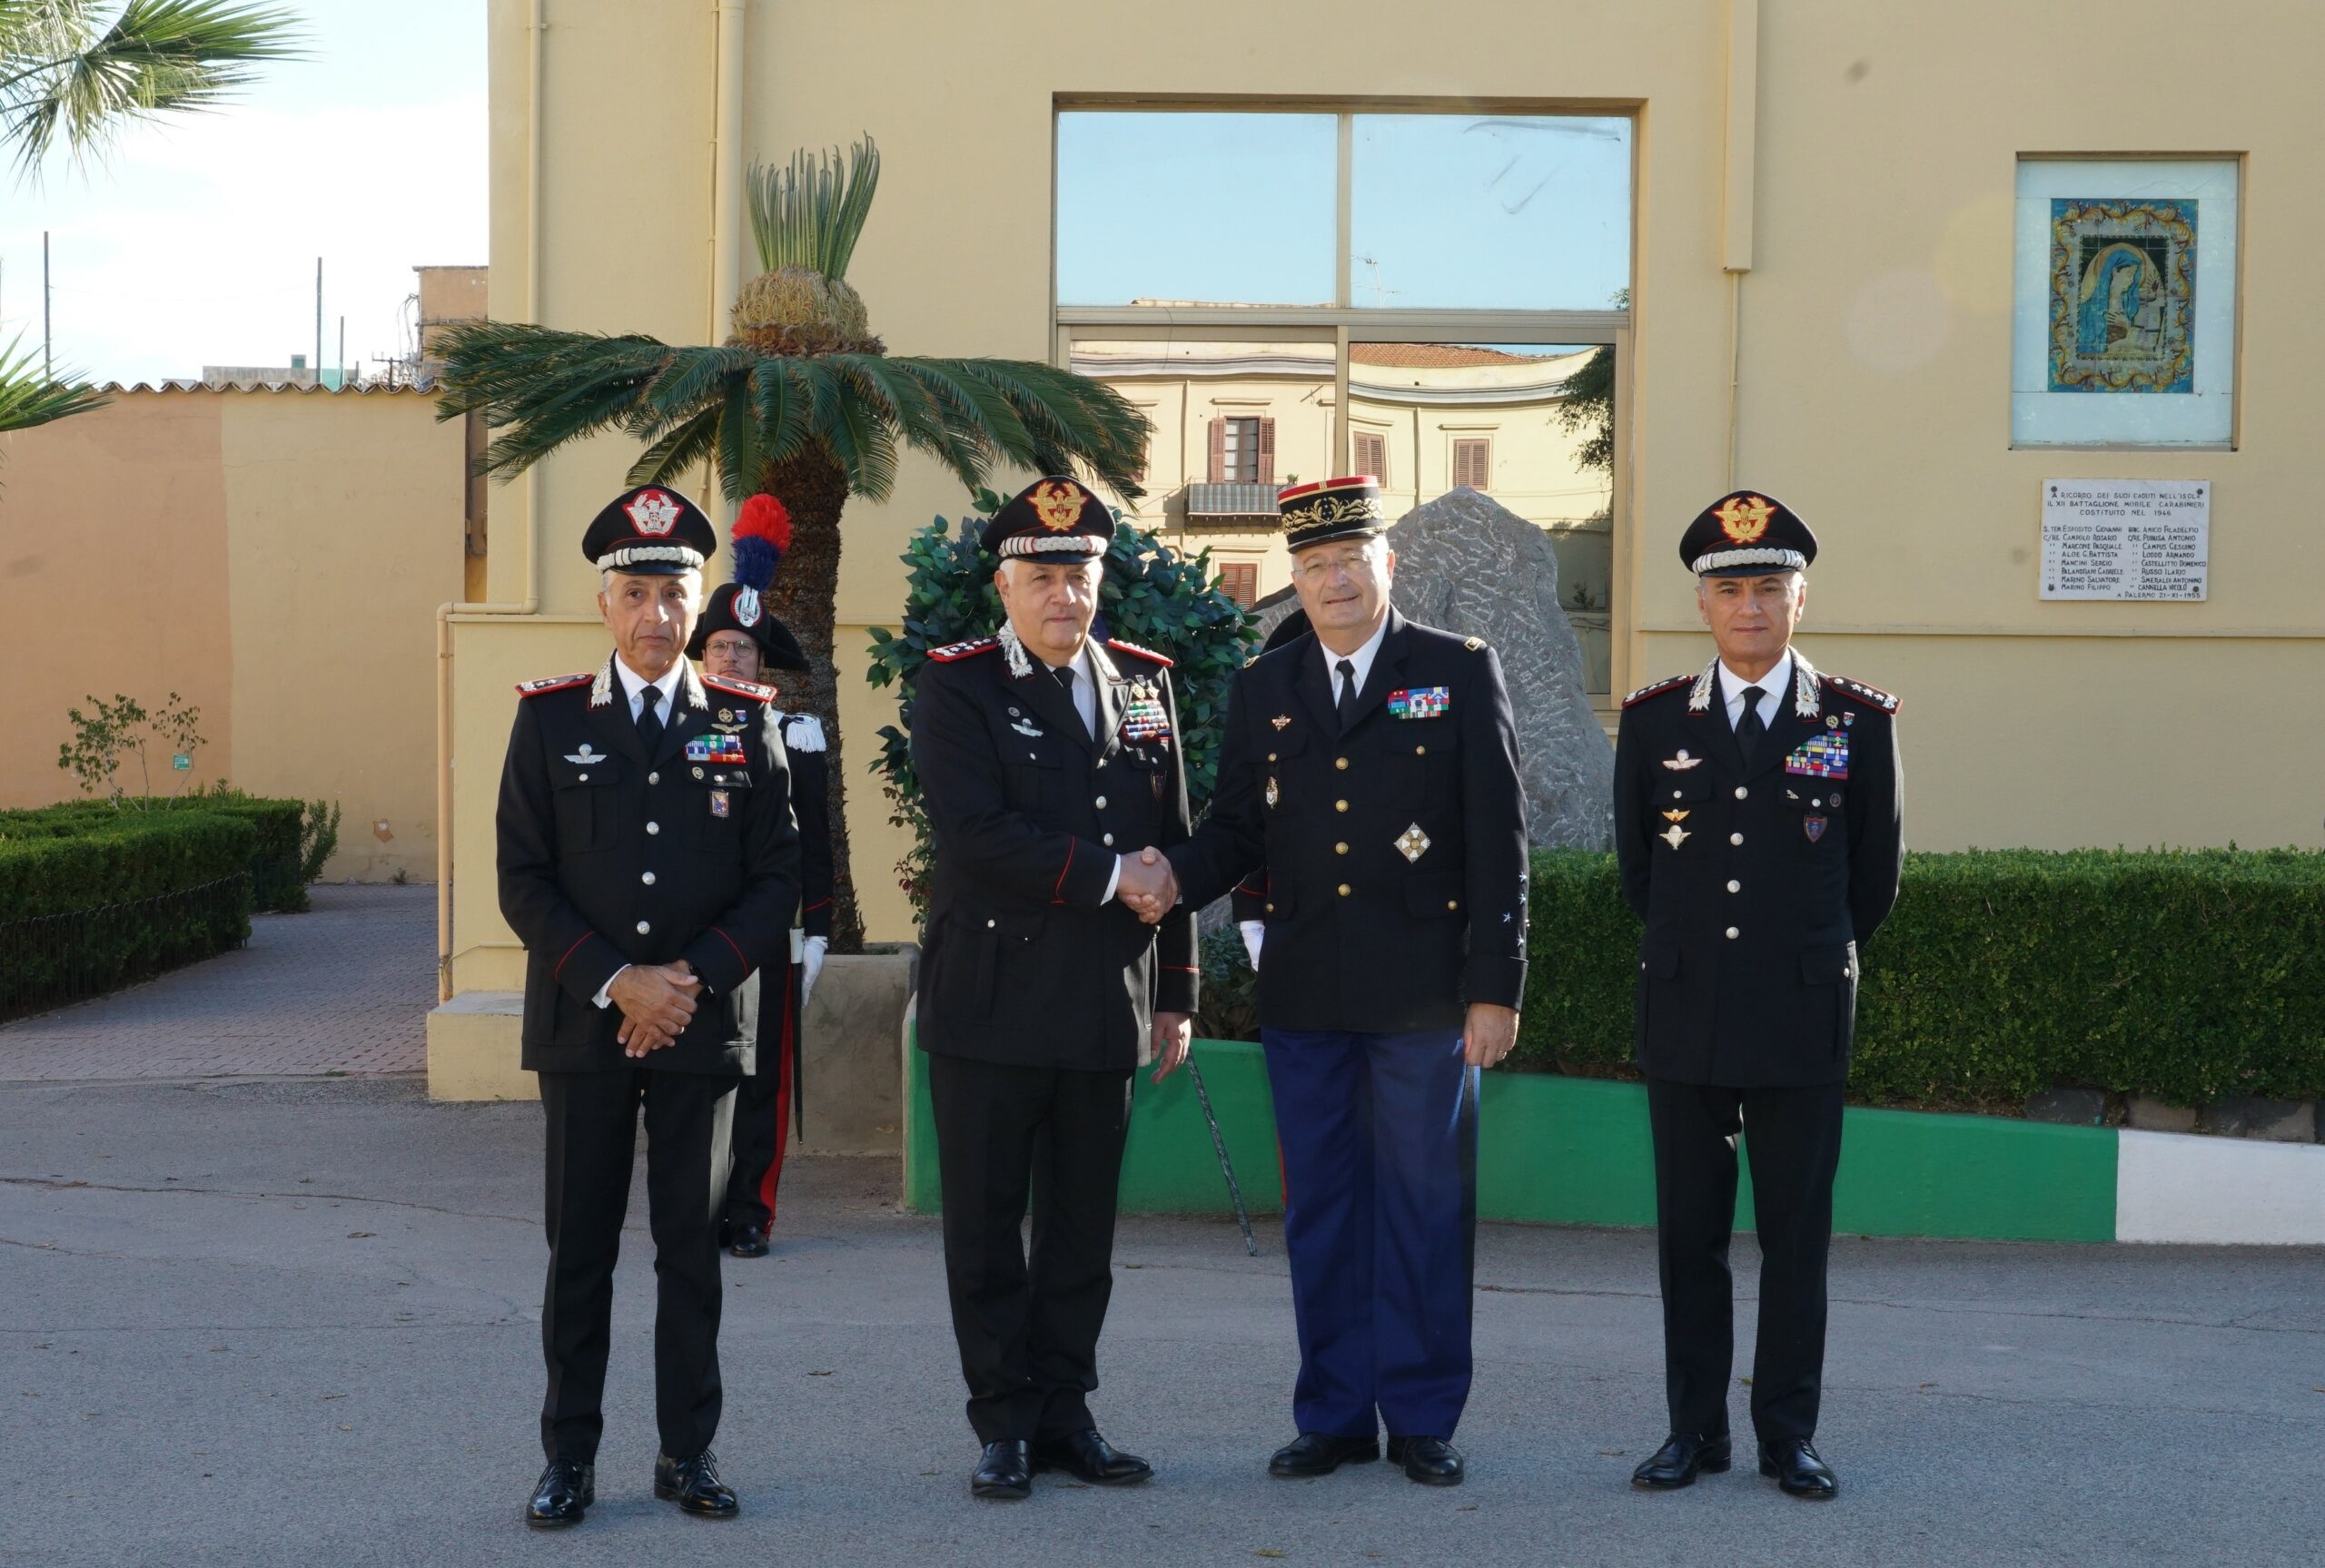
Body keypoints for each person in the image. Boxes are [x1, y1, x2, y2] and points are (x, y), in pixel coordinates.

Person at [1130, 475, 1529, 1488]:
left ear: (1387, 565)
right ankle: (1337, 1411)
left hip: (1426, 997)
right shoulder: (1266, 686)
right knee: (1322, 1208)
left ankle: (1425, 1413)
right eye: (1312, 566)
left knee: (1424, 1205)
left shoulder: (1455, 669)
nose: (1333, 579)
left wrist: (1497, 987)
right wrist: (1170, 874)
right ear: (1293, 581)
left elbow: (1498, 841)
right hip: (1306, 995)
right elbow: (1235, 830)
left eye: (1351, 559)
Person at [498, 483, 802, 1529]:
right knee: (579, 1251)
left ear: (695, 602)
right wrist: (617, 981)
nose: (656, 615)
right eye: (636, 592)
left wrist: (689, 982)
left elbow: (776, 879)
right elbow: (522, 878)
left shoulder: (743, 721)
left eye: (673, 593)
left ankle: (688, 1450)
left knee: (689, 1253)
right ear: (603, 603)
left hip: (699, 1028)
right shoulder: (547, 722)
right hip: (585, 1030)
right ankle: (568, 1456)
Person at [908, 476, 1197, 1501]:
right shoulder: (957, 684)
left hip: (1103, 1005)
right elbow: (978, 835)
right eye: (1041, 573)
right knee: (986, 1231)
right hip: (988, 1002)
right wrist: (1120, 877)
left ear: (1100, 578)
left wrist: (1177, 991)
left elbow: (1174, 839)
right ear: (1004, 581)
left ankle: (1068, 1412)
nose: (1062, 592)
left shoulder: (1146, 683)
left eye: (1077, 572)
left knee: (1081, 1234)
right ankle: (1003, 1420)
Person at [1612, 489, 1903, 1502]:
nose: (1749, 605)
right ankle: (1692, 1431)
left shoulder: (1856, 721)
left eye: (1767, 586)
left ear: (1800, 598)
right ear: (1701, 602)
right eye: (1729, 587)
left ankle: (1788, 1433)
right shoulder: (1653, 723)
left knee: (1794, 1239)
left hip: (1797, 1014)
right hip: (1686, 1013)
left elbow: (1874, 880)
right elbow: (1638, 875)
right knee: (1688, 1238)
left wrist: (1799, 957)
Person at [686, 493, 835, 1259]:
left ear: (762, 658)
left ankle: (750, 1208)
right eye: (720, 646)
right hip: (690, 933)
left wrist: (820, 931)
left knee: (761, 1080)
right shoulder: (674, 731)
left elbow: (816, 842)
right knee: (696, 1078)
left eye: (745, 648)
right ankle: (694, 1202)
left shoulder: (797, 735)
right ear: (701, 654)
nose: (732, 658)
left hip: (772, 936)